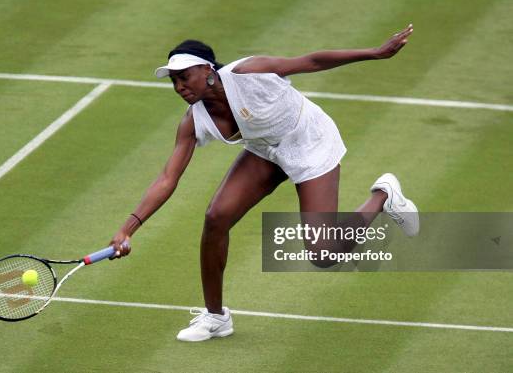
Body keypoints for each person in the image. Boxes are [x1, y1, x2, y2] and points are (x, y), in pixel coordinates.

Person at [108, 24, 418, 342]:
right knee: (216, 218)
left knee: (324, 253)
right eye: (174, 80)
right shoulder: (193, 120)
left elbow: (311, 61)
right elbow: (167, 179)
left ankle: (383, 195)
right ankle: (216, 317)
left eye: (184, 76)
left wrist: (375, 53)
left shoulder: (248, 72)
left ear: (206, 68)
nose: (178, 86)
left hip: (310, 142)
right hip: (266, 150)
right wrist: (128, 228)